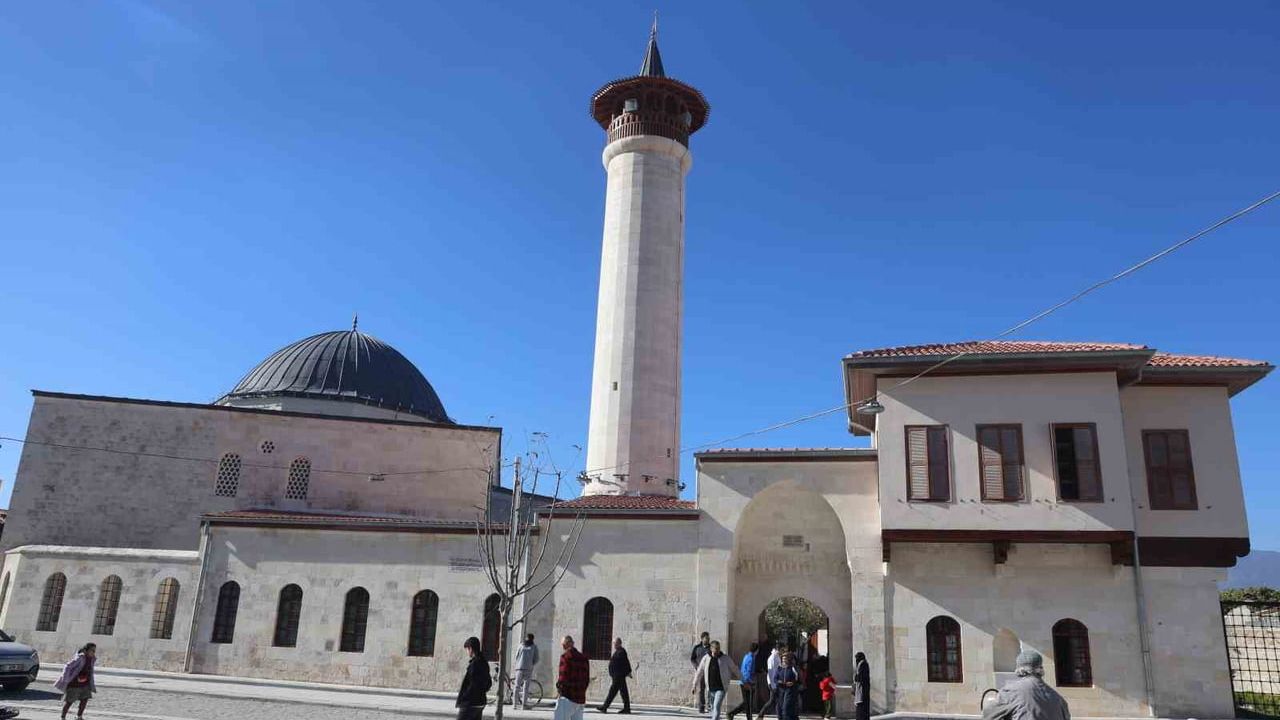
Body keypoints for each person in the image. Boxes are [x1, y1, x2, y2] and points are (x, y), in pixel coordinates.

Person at [995, 650, 1070, 720]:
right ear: (1041, 668)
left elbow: (989, 716)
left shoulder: (1010, 692)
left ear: (1019, 669)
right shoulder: (1058, 698)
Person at [692, 641, 739, 720]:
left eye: (718, 649)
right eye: (715, 649)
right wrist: (694, 685)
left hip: (721, 687)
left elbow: (735, 669)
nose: (717, 651)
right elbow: (699, 672)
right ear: (711, 649)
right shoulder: (706, 658)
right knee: (713, 708)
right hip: (710, 688)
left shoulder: (725, 658)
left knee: (717, 706)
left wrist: (744, 680)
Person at [55, 643, 96, 720]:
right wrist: (66, 678)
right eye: (92, 650)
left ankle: (79, 716)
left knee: (85, 700)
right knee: (69, 701)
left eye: (94, 651)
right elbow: (68, 666)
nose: (93, 652)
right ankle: (63, 717)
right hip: (75, 684)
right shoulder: (80, 658)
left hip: (85, 683)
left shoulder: (92, 659)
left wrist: (91, 682)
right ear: (86, 650)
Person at [555, 635, 591, 720]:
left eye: (563, 645)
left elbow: (562, 677)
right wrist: (582, 691)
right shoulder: (584, 658)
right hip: (580, 698)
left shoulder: (566, 657)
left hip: (568, 696)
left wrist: (560, 689)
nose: (563, 647)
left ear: (567, 644)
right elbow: (586, 679)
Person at [456, 637, 492, 720]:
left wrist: (464, 697)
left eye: (467, 649)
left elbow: (473, 684)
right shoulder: (484, 662)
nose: (467, 652)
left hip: (470, 703)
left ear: (470, 648)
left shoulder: (475, 664)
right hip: (480, 702)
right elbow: (489, 683)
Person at [599, 637, 632, 714]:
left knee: (612, 692)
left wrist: (628, 672)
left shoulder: (621, 651)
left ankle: (605, 707)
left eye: (615, 643)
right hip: (617, 675)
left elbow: (625, 663)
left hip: (618, 676)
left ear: (619, 643)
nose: (614, 644)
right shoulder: (619, 651)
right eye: (613, 643)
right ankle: (627, 708)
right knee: (623, 692)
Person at [726, 641, 758, 720]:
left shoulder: (746, 656)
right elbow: (748, 672)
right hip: (747, 682)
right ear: (756, 650)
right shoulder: (751, 658)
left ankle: (734, 714)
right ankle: (732, 713)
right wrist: (749, 682)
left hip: (743, 681)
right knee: (748, 702)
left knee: (746, 702)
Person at [770, 652, 802, 720]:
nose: (784, 660)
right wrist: (779, 682)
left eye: (786, 659)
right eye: (783, 659)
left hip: (790, 690)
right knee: (780, 707)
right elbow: (775, 678)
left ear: (789, 659)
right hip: (781, 689)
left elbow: (798, 678)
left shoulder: (793, 668)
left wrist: (793, 683)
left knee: (786, 707)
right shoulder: (779, 668)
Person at [514, 633, 540, 710]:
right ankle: (519, 704)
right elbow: (536, 658)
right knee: (522, 687)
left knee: (519, 686)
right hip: (526, 668)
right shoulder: (533, 647)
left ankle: (518, 704)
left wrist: (519, 663)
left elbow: (517, 656)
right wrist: (531, 664)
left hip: (521, 668)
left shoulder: (522, 646)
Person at [757, 643, 784, 716]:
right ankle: (761, 714)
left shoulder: (777, 657)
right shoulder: (773, 658)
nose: (784, 652)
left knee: (775, 700)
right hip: (773, 683)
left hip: (775, 683)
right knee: (773, 701)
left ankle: (779, 715)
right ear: (779, 649)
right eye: (783, 650)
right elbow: (771, 672)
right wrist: (774, 685)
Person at [690, 632, 712, 712]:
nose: (708, 639)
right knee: (701, 689)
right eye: (706, 638)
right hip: (700, 672)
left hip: (709, 672)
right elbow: (692, 659)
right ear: (702, 639)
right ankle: (701, 707)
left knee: (710, 689)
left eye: (709, 638)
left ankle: (710, 705)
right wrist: (696, 666)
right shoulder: (697, 648)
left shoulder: (711, 648)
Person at [853, 652, 871, 720]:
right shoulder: (861, 664)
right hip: (861, 689)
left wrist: (856, 678)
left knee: (863, 707)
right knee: (860, 707)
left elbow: (862, 677)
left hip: (863, 690)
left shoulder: (863, 665)